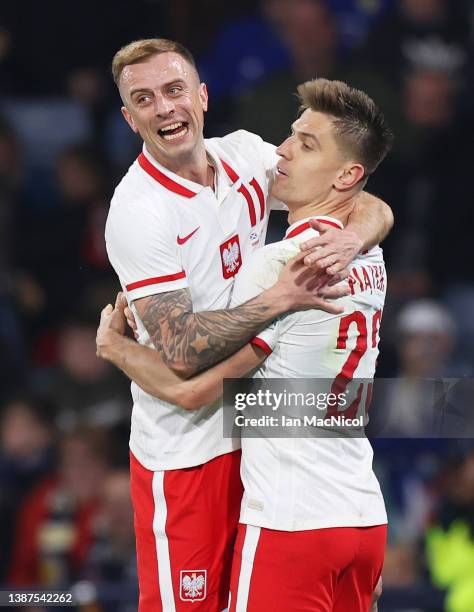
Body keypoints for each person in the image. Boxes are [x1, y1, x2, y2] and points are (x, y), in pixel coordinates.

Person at [106, 38, 393, 611]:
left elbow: (361, 199)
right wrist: (306, 279)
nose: (163, 107)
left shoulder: (244, 158)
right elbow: (184, 348)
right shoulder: (138, 210)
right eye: (144, 98)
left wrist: (113, 349)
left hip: (259, 441)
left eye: (173, 89)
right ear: (128, 117)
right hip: (191, 457)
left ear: (202, 96)